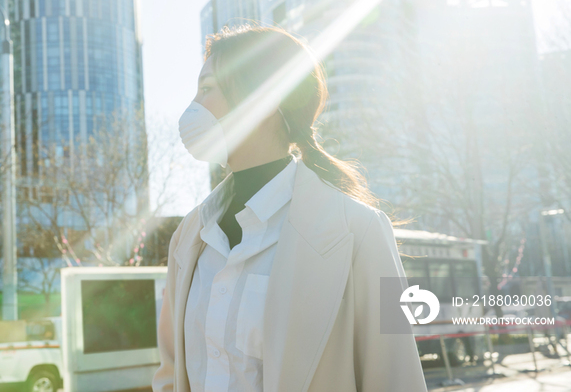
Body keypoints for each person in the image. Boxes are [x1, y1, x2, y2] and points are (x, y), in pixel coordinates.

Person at [153, 24, 427, 392]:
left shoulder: (362, 230)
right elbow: (171, 374)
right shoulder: (188, 237)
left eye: (207, 89)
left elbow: (398, 376)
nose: (192, 107)